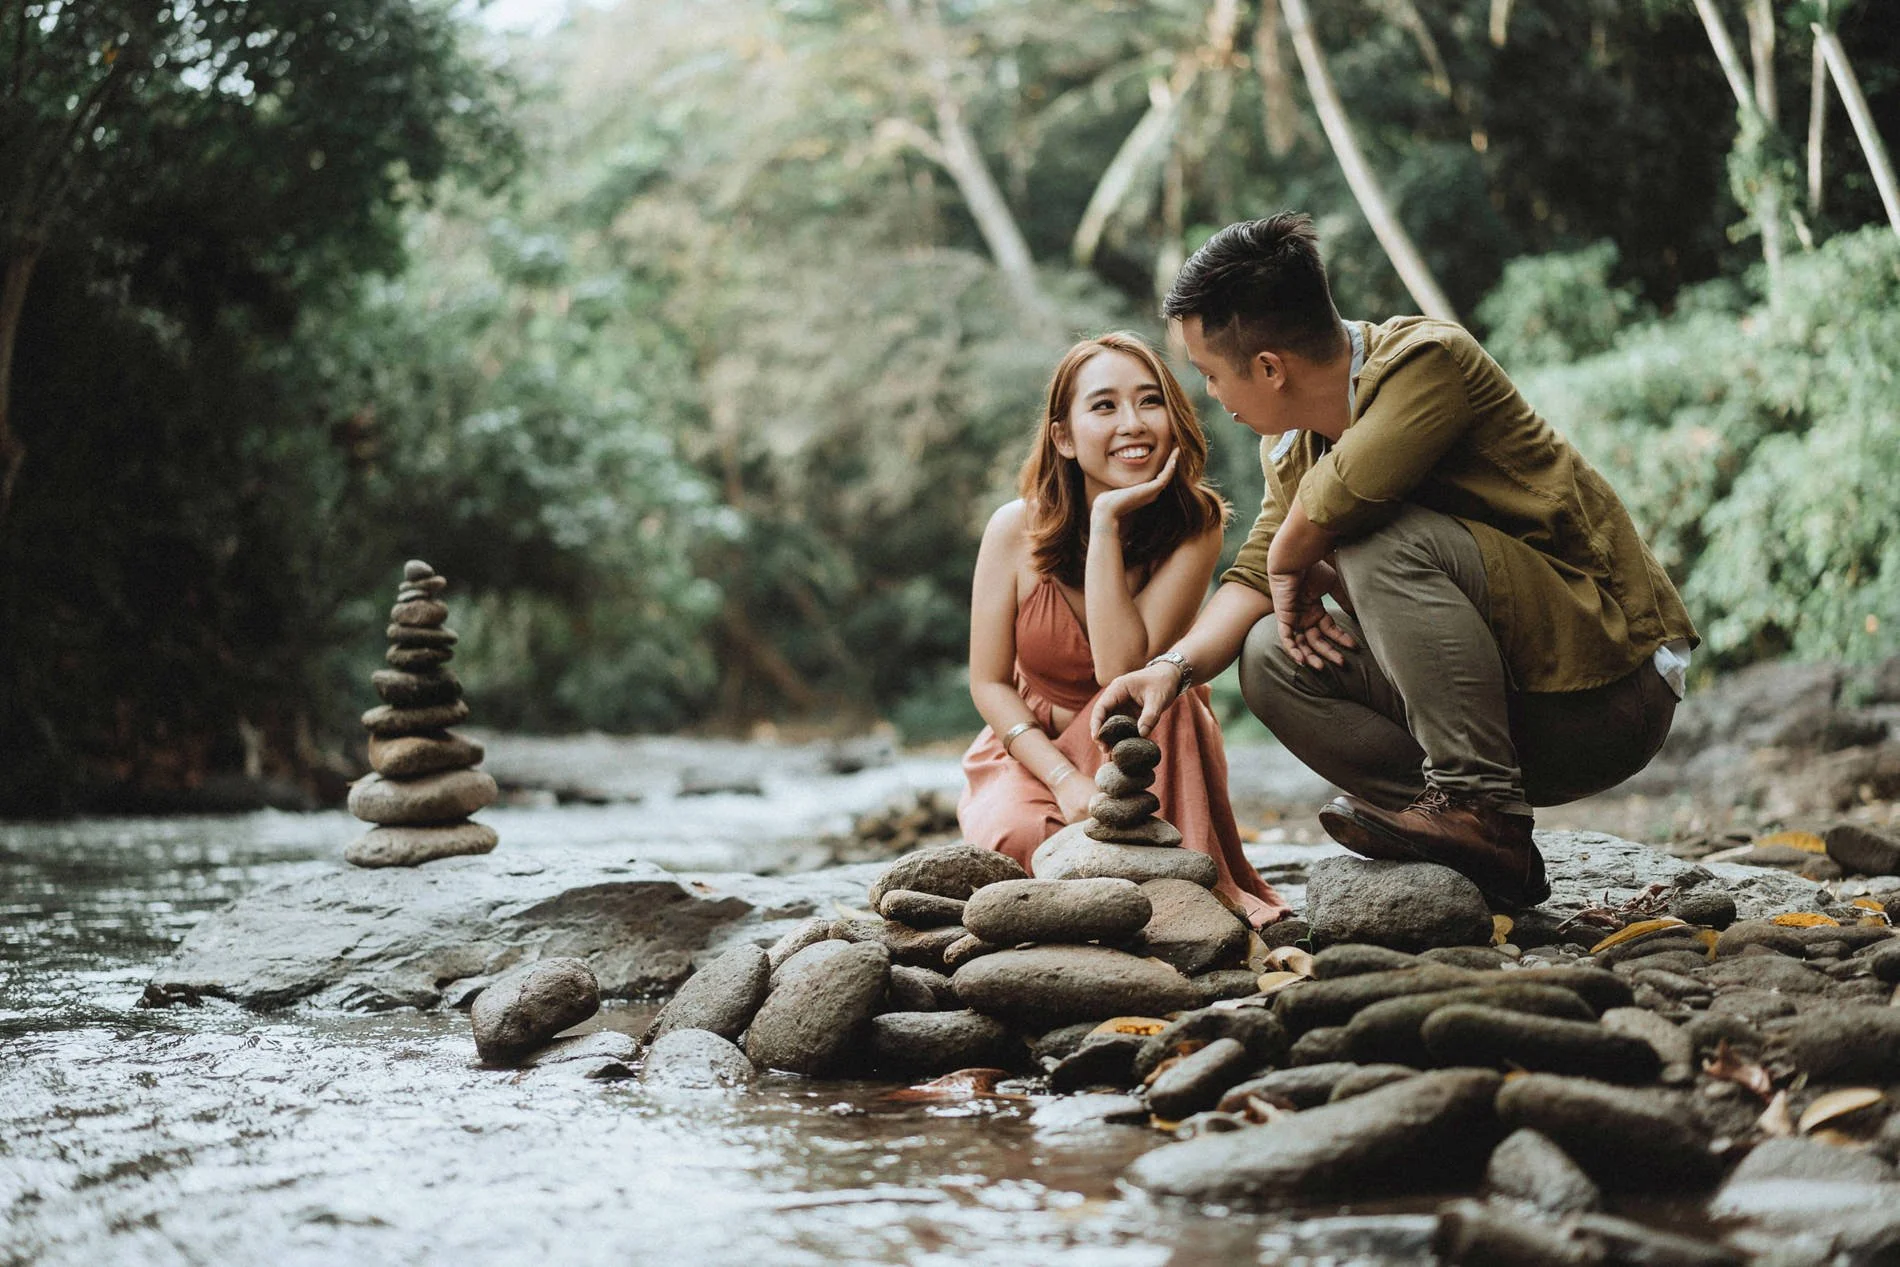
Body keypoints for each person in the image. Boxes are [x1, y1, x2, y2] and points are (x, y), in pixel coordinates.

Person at [1092, 214, 1698, 909]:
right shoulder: (1291, 445)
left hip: (1612, 687)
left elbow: (1339, 503)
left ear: (1268, 367)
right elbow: (1257, 572)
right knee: (1266, 657)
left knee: (1369, 538)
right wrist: (1168, 671)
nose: (1209, 395)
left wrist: (1294, 565)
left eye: (1208, 374)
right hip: (1509, 714)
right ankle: (1473, 840)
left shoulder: (1428, 362)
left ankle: (1481, 808)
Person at [958, 331, 1290, 927]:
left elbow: (1120, 668)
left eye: (1149, 401)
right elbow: (988, 682)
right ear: (1063, 435)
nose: (1132, 423)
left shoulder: (1197, 525)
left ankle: (1186, 903)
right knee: (1019, 843)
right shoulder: (1013, 529)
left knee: (1171, 699)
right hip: (1032, 749)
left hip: (1148, 736)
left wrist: (1108, 521)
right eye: (1105, 406)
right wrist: (1062, 779)